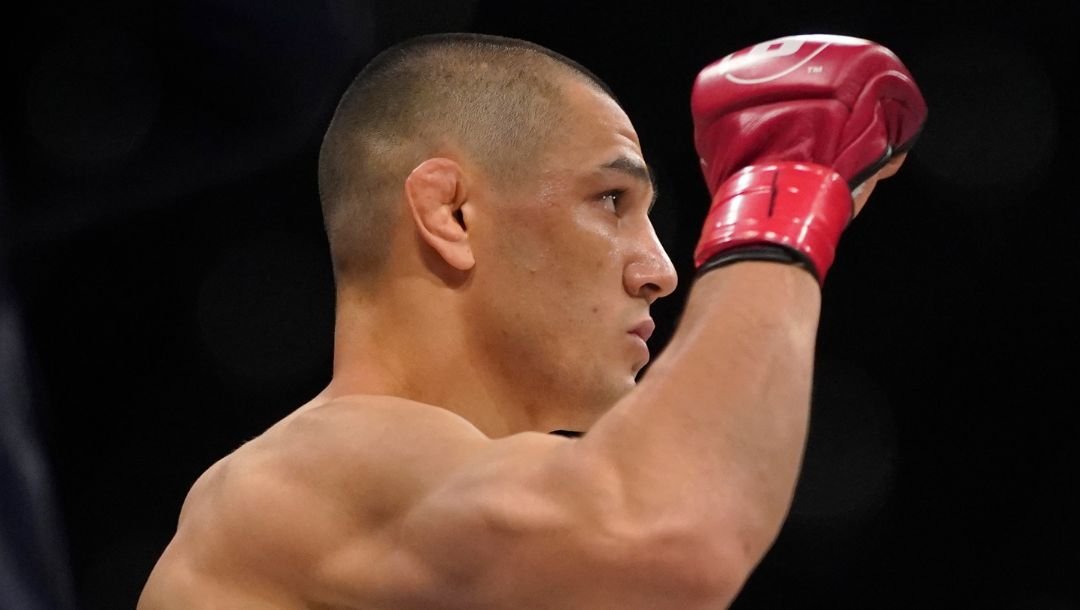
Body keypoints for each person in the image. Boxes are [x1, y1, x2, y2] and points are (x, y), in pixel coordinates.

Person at [138, 32, 925, 608]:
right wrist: (779, 203)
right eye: (611, 200)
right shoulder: (298, 478)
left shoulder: (479, 551)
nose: (660, 269)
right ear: (450, 213)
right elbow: (666, 535)